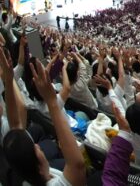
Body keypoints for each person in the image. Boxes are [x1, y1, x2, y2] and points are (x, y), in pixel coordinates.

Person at [2, 51, 86, 186]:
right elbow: (78, 165)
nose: (36, 145)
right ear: (39, 168)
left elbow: (16, 124)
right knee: (83, 115)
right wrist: (52, 100)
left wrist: (9, 77)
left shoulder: (25, 176)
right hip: (72, 129)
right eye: (36, 149)